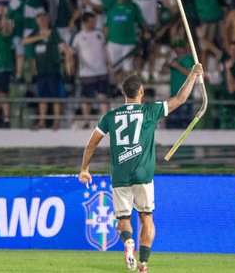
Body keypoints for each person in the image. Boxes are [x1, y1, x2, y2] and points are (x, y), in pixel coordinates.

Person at [78, 64, 203, 273]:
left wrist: (84, 169)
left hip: (120, 175)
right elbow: (180, 99)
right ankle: (143, 264)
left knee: (123, 220)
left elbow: (91, 143)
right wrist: (192, 75)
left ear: (122, 93)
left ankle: (128, 242)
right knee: (146, 218)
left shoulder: (110, 116)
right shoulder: (150, 111)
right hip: (144, 175)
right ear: (142, 92)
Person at [24, 12, 70, 130]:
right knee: (42, 96)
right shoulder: (35, 33)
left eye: (44, 18)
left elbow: (63, 45)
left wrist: (68, 57)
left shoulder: (53, 32)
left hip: (53, 69)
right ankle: (42, 121)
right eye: (40, 19)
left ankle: (56, 121)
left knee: (55, 96)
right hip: (41, 71)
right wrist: (41, 36)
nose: (42, 21)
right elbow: (25, 41)